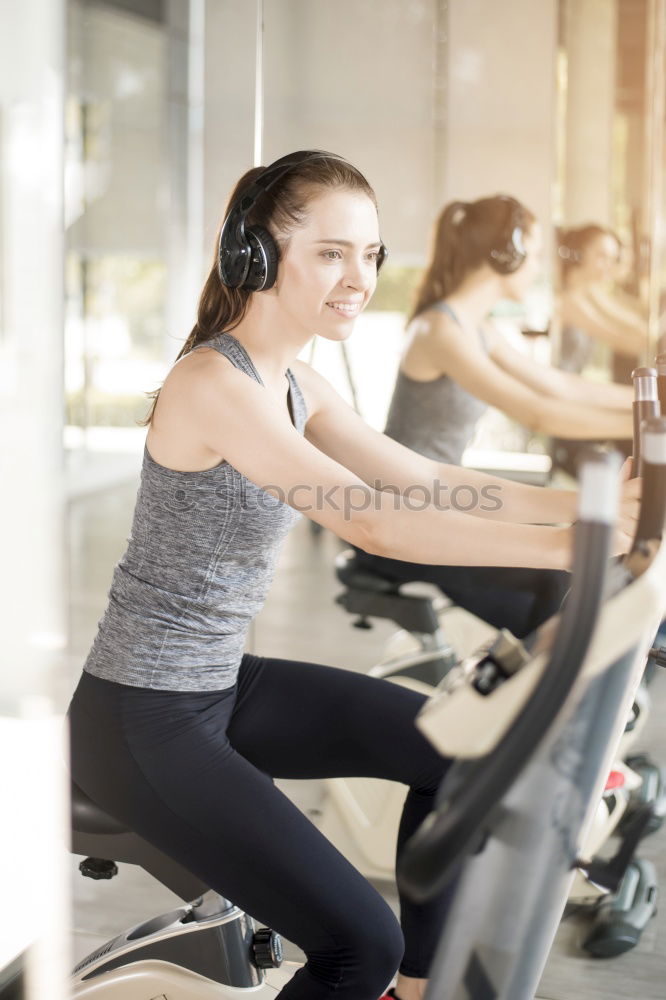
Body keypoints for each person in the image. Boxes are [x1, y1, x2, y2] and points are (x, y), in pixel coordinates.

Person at [66, 153, 639, 1000]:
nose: (359, 277)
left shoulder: (296, 379)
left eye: (370, 255)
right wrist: (578, 549)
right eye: (332, 252)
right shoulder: (213, 383)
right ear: (253, 255)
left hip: (220, 685)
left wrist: (591, 509)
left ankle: (419, 988)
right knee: (354, 946)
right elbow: (374, 519)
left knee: (461, 759)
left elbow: (425, 480)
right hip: (141, 715)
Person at [354, 195, 635, 638]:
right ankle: (541, 699)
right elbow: (537, 413)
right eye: (537, 254)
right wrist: (643, 425)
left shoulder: (476, 326)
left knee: (571, 574)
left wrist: (644, 401)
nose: (541, 267)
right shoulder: (440, 329)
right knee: (555, 584)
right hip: (403, 515)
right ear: (508, 253)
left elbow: (556, 385)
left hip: (441, 502)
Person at [556, 223, 646, 373]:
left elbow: (632, 322)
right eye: (602, 256)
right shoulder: (569, 300)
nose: (610, 266)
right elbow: (628, 342)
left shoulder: (589, 290)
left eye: (613, 259)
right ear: (579, 253)